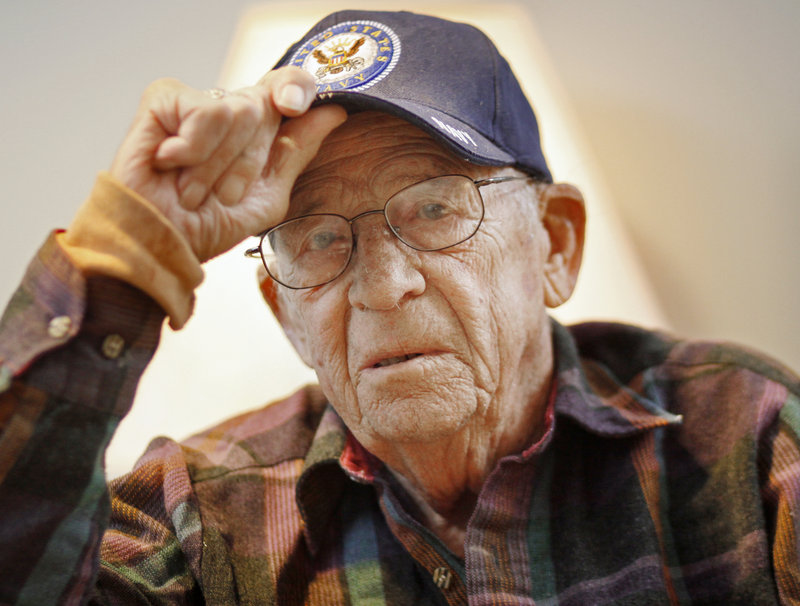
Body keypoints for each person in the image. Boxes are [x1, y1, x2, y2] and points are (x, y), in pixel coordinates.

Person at [0, 8, 798, 605]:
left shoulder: (746, 436)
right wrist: (123, 263)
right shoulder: (196, 513)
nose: (382, 287)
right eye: (317, 239)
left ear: (554, 246)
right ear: (285, 310)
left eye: (437, 211)